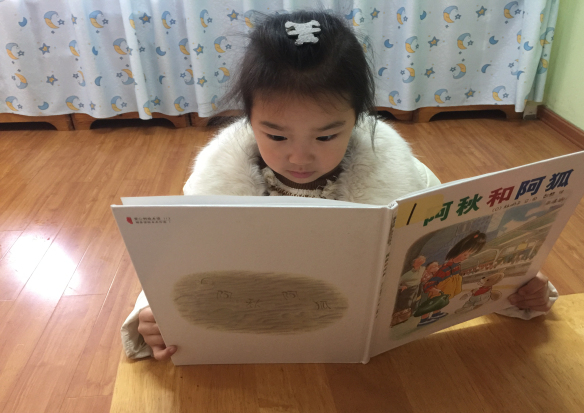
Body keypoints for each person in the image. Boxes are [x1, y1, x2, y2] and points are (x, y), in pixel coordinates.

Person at [121, 10, 557, 361]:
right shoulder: (212, 188)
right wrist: (152, 313)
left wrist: (513, 288)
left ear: (358, 118)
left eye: (327, 135)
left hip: (373, 359)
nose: (300, 157)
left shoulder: (410, 182)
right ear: (248, 119)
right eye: (276, 136)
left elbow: (453, 261)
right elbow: (182, 266)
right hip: (253, 349)